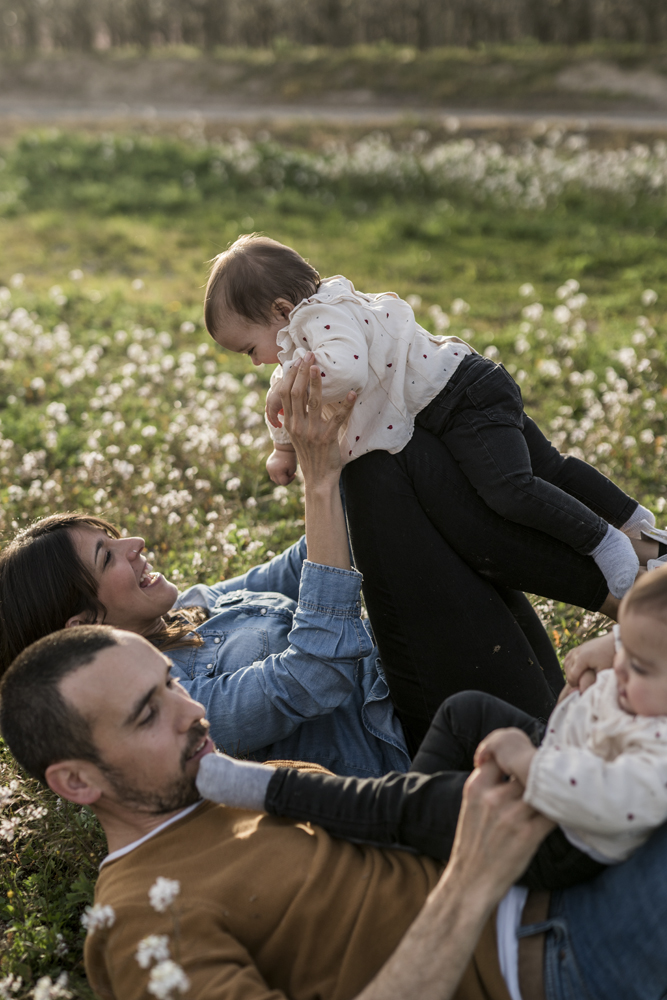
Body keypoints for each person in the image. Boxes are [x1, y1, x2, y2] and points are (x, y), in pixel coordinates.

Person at [3, 626, 667, 1000]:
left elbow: (390, 834)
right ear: (77, 781)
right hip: (541, 958)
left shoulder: (232, 784)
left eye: (172, 683)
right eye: (148, 714)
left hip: (551, 878)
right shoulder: (141, 920)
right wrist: (471, 881)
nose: (191, 712)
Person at [0, 355, 580, 778]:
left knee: (390, 456)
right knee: (374, 477)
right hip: (429, 747)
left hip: (457, 685)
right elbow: (315, 673)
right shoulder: (178, 704)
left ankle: (607, 565)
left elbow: (303, 565)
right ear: (81, 628)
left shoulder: (186, 608)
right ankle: (609, 569)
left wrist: (343, 437)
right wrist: (320, 481)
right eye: (108, 556)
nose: (135, 542)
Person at [204, 233, 660, 600]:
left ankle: (603, 539)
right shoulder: (299, 340)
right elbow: (285, 390)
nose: (258, 363)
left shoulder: (325, 316)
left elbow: (347, 370)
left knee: (509, 490)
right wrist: (283, 446)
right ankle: (642, 527)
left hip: (463, 396)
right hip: (460, 388)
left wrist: (288, 385)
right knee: (549, 468)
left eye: (250, 348)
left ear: (281, 310)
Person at [198, 565, 667, 877]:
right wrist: (614, 645)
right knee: (467, 710)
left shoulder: (656, 761)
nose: (621, 669)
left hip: (566, 834)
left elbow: (609, 802)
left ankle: (285, 796)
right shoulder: (640, 679)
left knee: (426, 803)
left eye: (639, 667)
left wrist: (528, 763)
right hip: (566, 754)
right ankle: (421, 826)